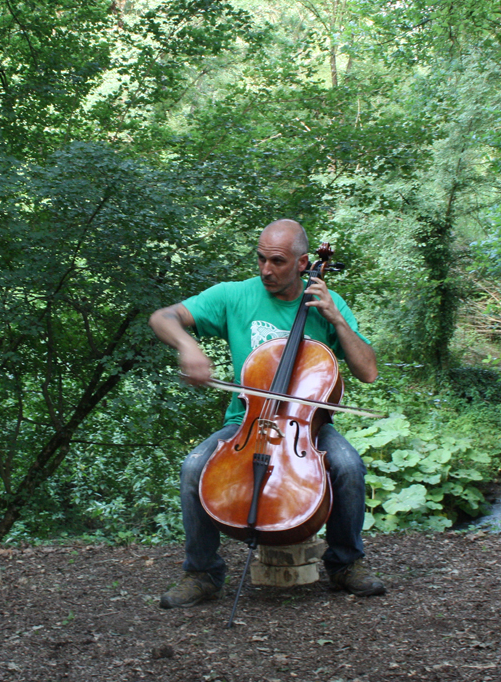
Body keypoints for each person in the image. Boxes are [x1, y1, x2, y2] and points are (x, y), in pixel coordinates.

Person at [148, 219, 386, 608]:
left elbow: (368, 372)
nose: (265, 270)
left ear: (302, 262)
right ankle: (202, 572)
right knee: (194, 466)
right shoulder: (234, 296)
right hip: (245, 421)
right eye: (260, 259)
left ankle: (346, 563)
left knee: (347, 466)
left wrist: (337, 320)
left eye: (277, 261)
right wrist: (187, 347)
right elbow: (163, 317)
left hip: (306, 426)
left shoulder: (328, 302)